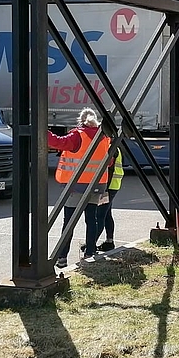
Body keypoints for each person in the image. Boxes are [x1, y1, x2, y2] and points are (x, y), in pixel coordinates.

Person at [48, 107, 113, 267]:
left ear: (81, 121)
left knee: (68, 222)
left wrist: (44, 131)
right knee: (91, 219)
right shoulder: (104, 137)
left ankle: (62, 258)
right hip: (97, 186)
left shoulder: (78, 135)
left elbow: (57, 142)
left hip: (76, 187)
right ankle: (89, 253)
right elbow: (109, 161)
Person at [97, 145, 124, 252]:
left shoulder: (108, 147)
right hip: (113, 185)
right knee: (107, 214)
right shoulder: (114, 146)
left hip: (108, 187)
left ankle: (91, 244)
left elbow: (110, 169)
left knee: (99, 215)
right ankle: (109, 241)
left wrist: (104, 190)